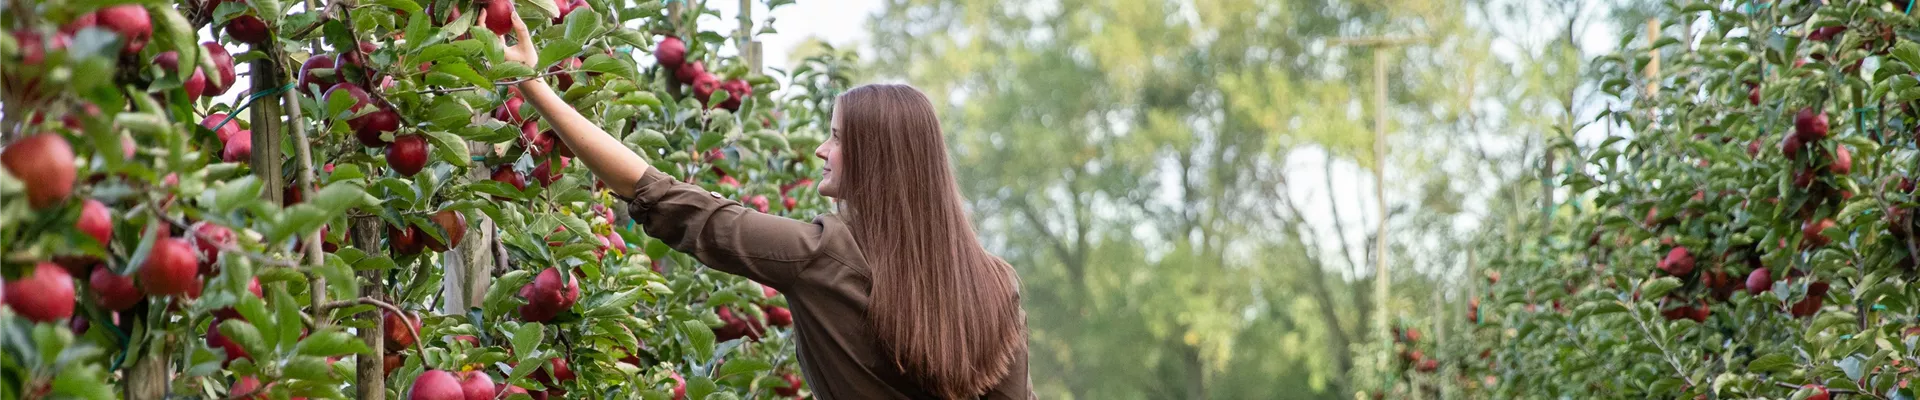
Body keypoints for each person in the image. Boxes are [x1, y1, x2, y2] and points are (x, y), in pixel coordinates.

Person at [491, 11, 1034, 400]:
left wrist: (536, 87)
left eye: (838, 139)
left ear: (876, 160)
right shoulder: (994, 284)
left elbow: (667, 198)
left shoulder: (822, 256)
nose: (823, 150)